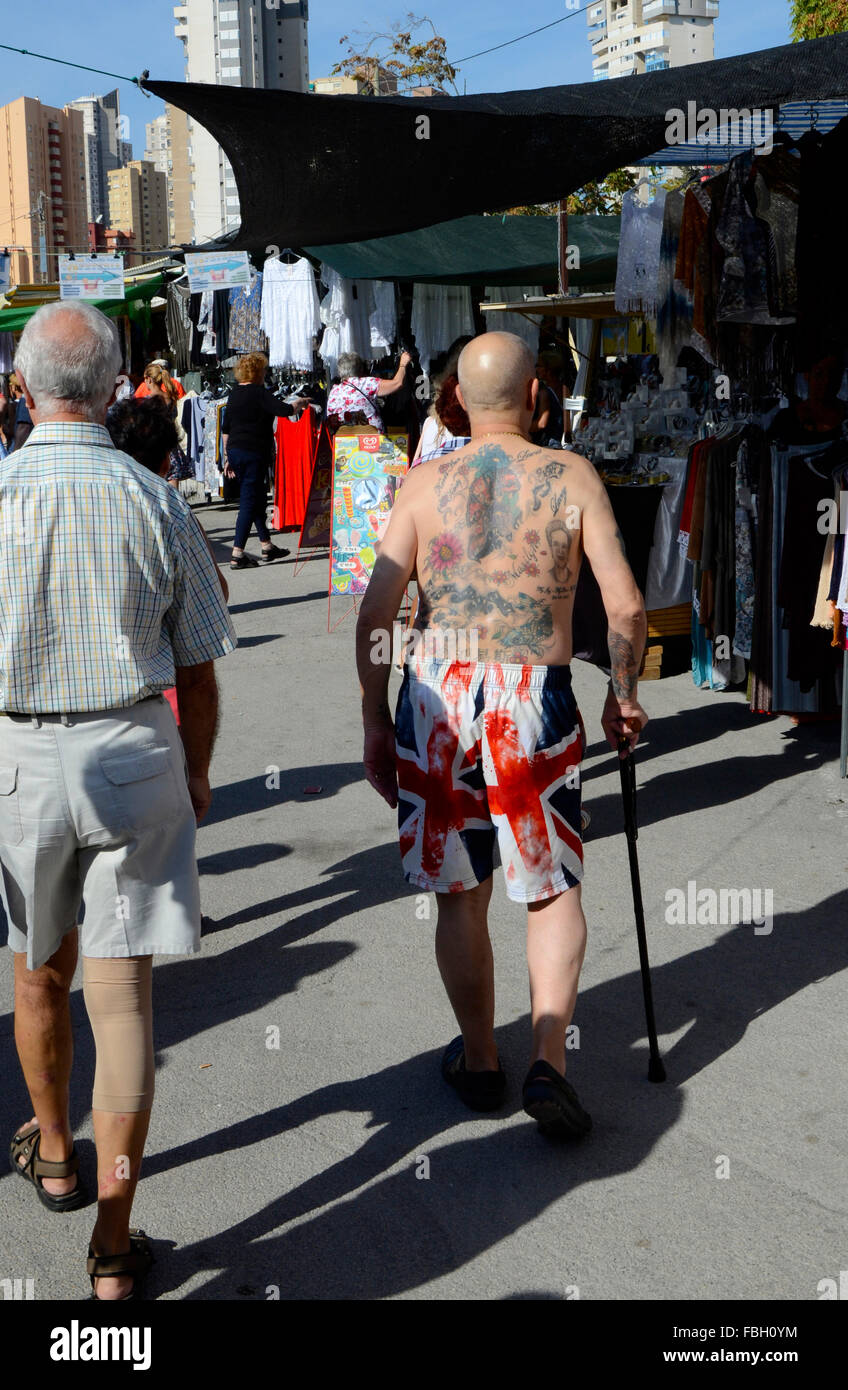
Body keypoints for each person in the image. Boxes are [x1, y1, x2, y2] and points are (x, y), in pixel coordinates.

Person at [356, 331, 648, 1138]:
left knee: (461, 889)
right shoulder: (572, 476)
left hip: (438, 694)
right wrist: (623, 698)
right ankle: (549, 1059)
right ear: (534, 396)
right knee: (550, 888)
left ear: (454, 397)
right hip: (533, 694)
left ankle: (482, 1060)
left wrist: (377, 720)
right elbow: (624, 607)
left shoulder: (420, 485)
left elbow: (377, 615)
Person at [2, 300, 236, 1299]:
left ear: (21, 387)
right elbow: (202, 661)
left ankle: (55, 1148)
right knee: (125, 1001)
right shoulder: (155, 497)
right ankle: (111, 1241)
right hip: (136, 743)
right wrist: (194, 763)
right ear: (112, 390)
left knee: (33, 971)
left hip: (18, 752)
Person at [222, 351, 310, 569]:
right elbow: (284, 410)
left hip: (235, 451)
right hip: (253, 452)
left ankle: (266, 545)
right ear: (258, 372)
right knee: (248, 502)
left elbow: (226, 429)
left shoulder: (234, 395)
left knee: (257, 498)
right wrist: (300, 403)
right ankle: (237, 554)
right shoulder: (258, 393)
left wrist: (227, 457)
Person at [327, 350, 412, 432]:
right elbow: (397, 383)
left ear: (340, 372)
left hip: (342, 441)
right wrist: (403, 364)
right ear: (360, 369)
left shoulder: (334, 391)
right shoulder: (367, 383)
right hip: (370, 440)